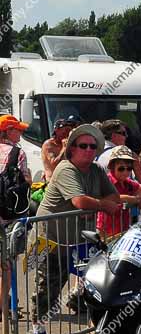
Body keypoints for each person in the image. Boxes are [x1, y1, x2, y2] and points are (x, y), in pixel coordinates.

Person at [34, 124, 121, 321]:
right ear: (72, 148)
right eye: (84, 146)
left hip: (76, 238)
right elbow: (80, 202)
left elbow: (114, 197)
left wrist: (95, 204)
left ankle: (92, 325)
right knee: (47, 288)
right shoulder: (65, 168)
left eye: (92, 146)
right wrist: (101, 205)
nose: (89, 150)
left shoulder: (97, 169)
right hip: (52, 238)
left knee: (89, 281)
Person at [97, 145, 141, 237]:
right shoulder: (106, 180)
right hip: (106, 233)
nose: (125, 172)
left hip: (124, 232)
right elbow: (114, 198)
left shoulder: (129, 183)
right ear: (112, 166)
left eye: (129, 168)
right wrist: (136, 199)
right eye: (121, 168)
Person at [42, 116, 79, 181]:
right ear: (57, 130)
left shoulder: (68, 144)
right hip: (53, 182)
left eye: (69, 132)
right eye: (65, 131)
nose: (66, 135)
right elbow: (54, 163)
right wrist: (64, 148)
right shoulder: (48, 144)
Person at [0, 116, 32, 186]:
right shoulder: (18, 153)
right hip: (7, 196)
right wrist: (29, 175)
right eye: (19, 130)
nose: (21, 132)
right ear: (9, 132)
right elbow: (26, 183)